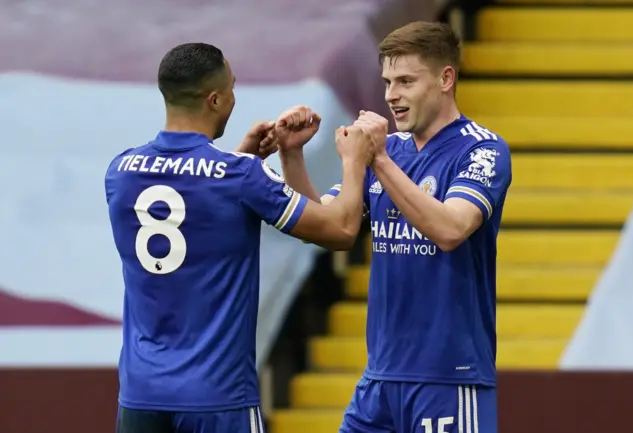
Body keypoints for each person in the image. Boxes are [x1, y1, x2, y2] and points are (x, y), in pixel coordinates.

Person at [104, 42, 373, 433]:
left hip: (141, 396)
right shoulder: (240, 176)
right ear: (214, 100)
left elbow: (193, 201)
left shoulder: (121, 172)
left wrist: (248, 154)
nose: (234, 97)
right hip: (217, 397)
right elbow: (341, 230)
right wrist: (354, 159)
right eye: (231, 88)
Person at [278, 22, 512, 433]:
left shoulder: (482, 148)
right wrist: (292, 155)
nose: (391, 96)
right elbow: (327, 224)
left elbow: (452, 228)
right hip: (379, 380)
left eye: (405, 81)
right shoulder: (394, 150)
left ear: (445, 78)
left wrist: (378, 160)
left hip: (448, 378)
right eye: (387, 82)